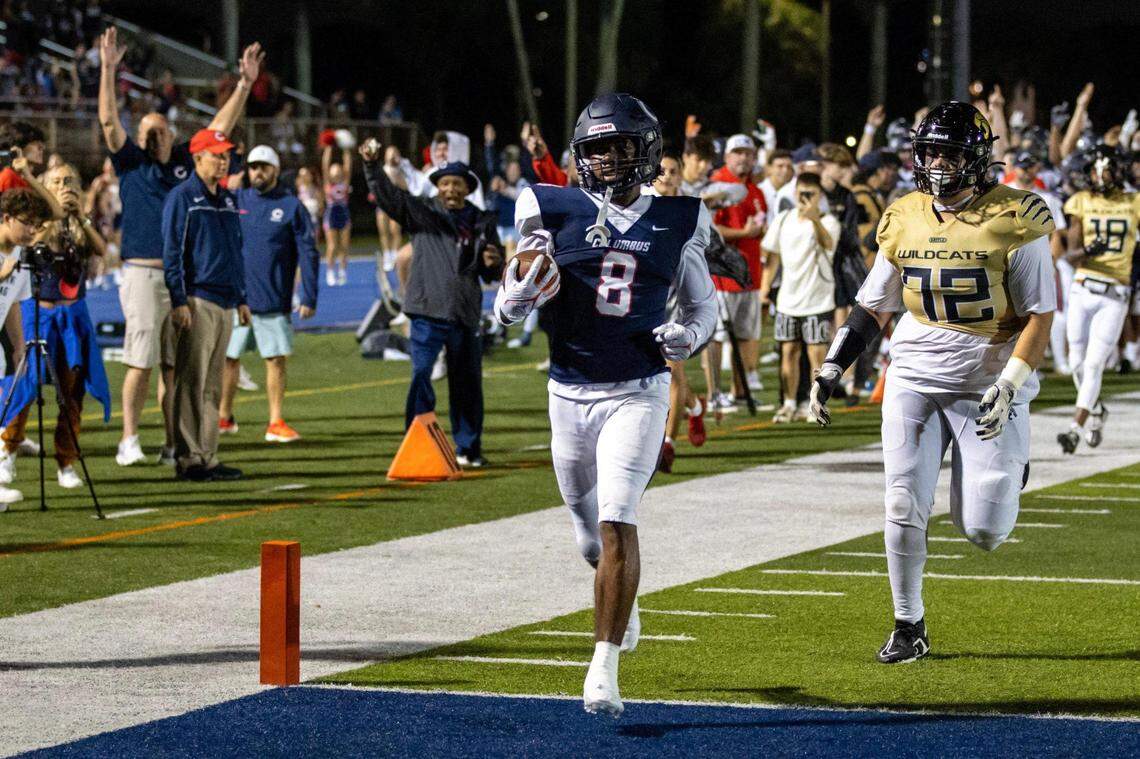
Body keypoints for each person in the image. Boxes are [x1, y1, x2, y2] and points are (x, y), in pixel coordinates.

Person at [810, 102, 1056, 664]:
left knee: (985, 531)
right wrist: (832, 366)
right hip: (915, 372)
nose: (940, 165)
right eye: (931, 153)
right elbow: (872, 306)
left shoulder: (1018, 215)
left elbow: (1040, 314)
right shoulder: (903, 215)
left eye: (951, 153)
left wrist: (1013, 383)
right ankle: (908, 622)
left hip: (988, 379)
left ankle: (1009, 465)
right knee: (901, 500)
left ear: (976, 158)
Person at [495, 93, 716, 716]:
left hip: (639, 390)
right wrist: (511, 301)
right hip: (568, 390)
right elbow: (514, 287)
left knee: (620, 519)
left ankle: (603, 667)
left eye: (620, 146)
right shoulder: (547, 204)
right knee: (591, 538)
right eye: (596, 148)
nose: (608, 159)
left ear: (644, 149)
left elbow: (704, 307)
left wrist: (689, 337)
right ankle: (621, 597)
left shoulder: (680, 217)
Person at [98, 28, 264, 469]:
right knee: (140, 361)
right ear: (141, 135)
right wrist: (108, 71)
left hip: (182, 283)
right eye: (149, 130)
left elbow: (218, 128)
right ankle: (129, 438)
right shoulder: (132, 163)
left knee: (177, 368)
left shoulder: (181, 168)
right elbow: (109, 123)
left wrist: (245, 86)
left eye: (163, 129)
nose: (158, 135)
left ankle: (176, 443)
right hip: (142, 272)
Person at [359, 141, 503, 467]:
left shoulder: (482, 222)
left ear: (467, 189)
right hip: (426, 311)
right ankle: (419, 442)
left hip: (464, 312)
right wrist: (371, 166)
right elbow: (388, 197)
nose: (450, 188)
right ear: (437, 187)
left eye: (457, 184)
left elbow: (490, 270)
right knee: (421, 374)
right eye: (445, 183)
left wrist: (495, 262)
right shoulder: (422, 212)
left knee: (467, 383)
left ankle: (469, 448)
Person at [0, 164, 111, 490]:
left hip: (73, 316)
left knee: (70, 392)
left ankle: (66, 459)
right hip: (40, 313)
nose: (65, 187)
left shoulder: (77, 226)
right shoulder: (36, 227)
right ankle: (7, 449)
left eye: (70, 181)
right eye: (57, 182)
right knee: (25, 387)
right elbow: (40, 234)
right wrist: (52, 208)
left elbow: (101, 250)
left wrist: (80, 217)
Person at [161, 129, 252, 482]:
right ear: (197, 159)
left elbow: (235, 252)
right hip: (198, 299)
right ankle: (188, 459)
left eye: (225, 154)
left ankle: (208, 455)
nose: (223, 160)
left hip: (225, 301)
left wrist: (241, 297)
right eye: (216, 154)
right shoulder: (182, 198)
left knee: (213, 384)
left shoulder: (226, 199)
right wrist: (179, 300)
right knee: (191, 381)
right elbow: (173, 252)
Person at [218, 146, 319, 442]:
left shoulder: (291, 206)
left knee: (275, 359)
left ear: (275, 170)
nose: (257, 172)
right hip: (238, 299)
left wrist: (309, 296)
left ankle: (275, 421)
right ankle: (224, 417)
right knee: (228, 358)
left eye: (263, 167)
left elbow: (308, 253)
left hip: (273, 298)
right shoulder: (236, 200)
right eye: (253, 167)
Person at [1057, 144, 1140, 453]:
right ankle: (1096, 409)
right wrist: (1090, 251)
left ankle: (1075, 427)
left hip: (1115, 294)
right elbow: (1072, 254)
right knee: (1077, 362)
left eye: (1106, 169)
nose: (1100, 175)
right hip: (1083, 288)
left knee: (1093, 366)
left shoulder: (1134, 201)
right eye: (1096, 169)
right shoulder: (1081, 201)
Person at [759, 172, 840, 423]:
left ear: (820, 196)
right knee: (788, 353)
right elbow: (772, 257)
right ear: (794, 193)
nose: (804, 198)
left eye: (811, 194)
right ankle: (789, 402)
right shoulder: (783, 220)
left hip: (817, 299)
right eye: (801, 193)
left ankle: (815, 403)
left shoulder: (829, 222)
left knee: (817, 355)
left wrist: (814, 219)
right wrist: (764, 291)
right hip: (788, 299)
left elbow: (828, 245)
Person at [0, 183, 62, 508]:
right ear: (7, 217)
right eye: (25, 222)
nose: (30, 231)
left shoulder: (21, 256)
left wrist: (18, 346)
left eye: (35, 225)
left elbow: (13, 302)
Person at [650, 152, 707, 472]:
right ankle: (696, 407)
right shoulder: (640, 204)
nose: (667, 176)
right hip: (647, 298)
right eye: (662, 171)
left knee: (672, 371)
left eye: (673, 171)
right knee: (655, 370)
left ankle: (667, 444)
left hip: (678, 300)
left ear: (681, 175)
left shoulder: (690, 210)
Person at [705, 134, 767, 409]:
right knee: (716, 338)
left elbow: (760, 226)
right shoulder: (717, 187)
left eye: (748, 153)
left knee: (745, 335)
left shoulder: (755, 190)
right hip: (722, 275)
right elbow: (710, 230)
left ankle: (738, 392)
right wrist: (744, 232)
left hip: (750, 274)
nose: (743, 158)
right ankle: (714, 393)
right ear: (728, 157)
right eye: (738, 153)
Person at [321, 141, 353, 287]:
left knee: (344, 245)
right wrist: (329, 147)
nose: (337, 171)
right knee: (332, 245)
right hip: (331, 213)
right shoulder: (328, 183)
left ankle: (342, 271)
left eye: (339, 169)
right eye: (334, 169)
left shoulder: (345, 182)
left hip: (343, 213)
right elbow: (325, 165)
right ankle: (330, 271)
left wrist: (346, 148)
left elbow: (348, 165)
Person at [0, 122, 47, 192]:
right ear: (17, 148)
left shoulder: (27, 179)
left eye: (42, 144)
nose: (42, 148)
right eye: (35, 144)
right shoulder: (9, 177)